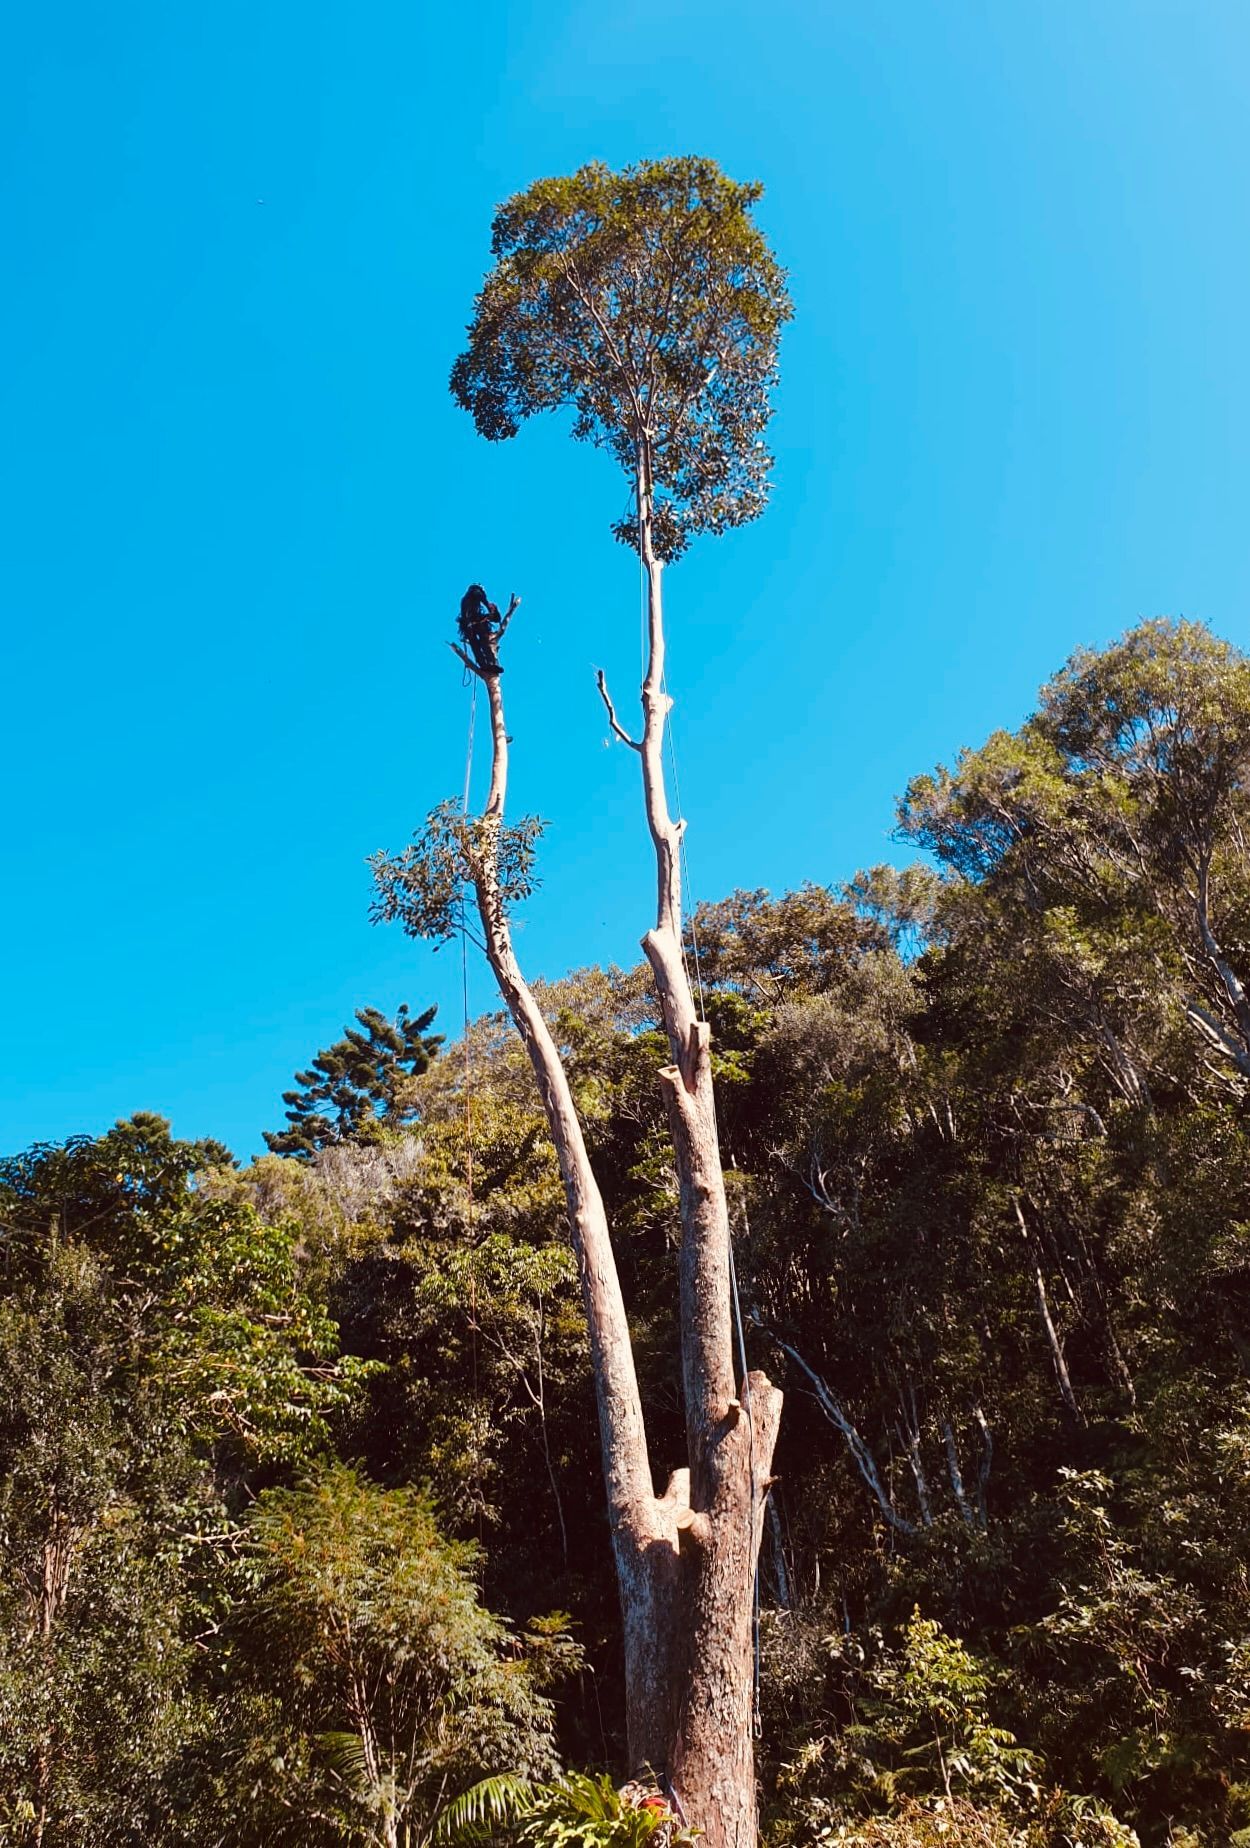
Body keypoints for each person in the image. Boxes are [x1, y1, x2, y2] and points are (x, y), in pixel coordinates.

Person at [458, 583, 503, 675]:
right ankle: (490, 663)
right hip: (472, 623)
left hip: (469, 624)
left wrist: (493, 613)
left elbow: (496, 618)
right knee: (483, 643)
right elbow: (480, 597)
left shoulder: (466, 599)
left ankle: (484, 665)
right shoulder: (476, 592)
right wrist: (488, 605)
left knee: (476, 646)